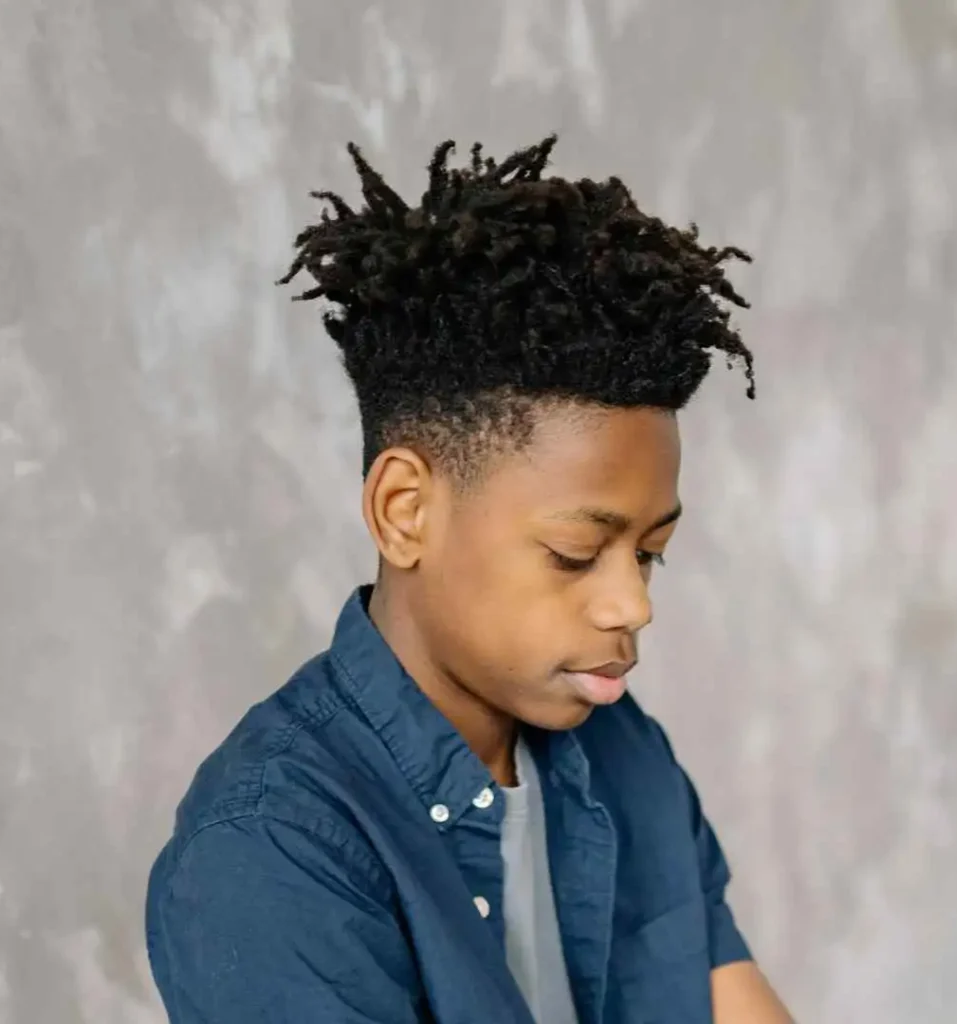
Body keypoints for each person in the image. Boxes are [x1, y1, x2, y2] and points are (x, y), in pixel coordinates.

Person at [145, 135, 793, 1023]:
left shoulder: (624, 752)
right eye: (575, 554)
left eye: (650, 554)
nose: (632, 605)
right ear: (406, 511)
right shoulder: (268, 851)